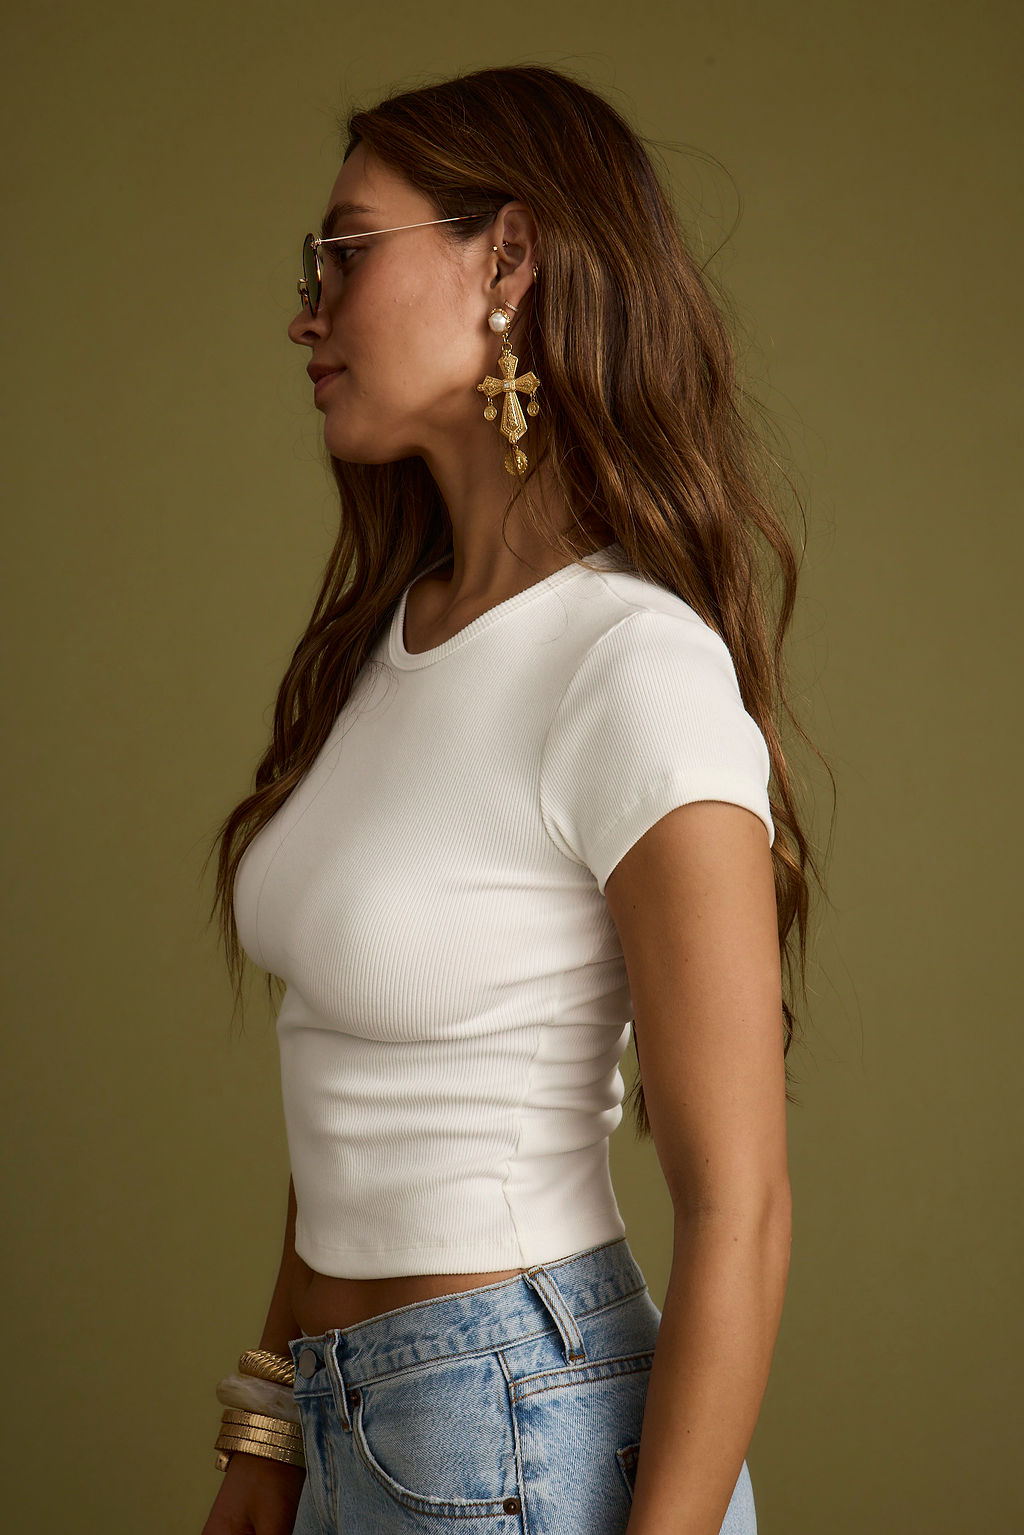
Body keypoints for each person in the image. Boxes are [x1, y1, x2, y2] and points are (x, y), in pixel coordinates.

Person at [200, 62, 821, 1535]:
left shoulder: (630, 666)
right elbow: (346, 1082)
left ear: (510, 260)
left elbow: (741, 1213)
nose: (307, 311)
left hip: (518, 1435)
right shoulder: (395, 642)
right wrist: (267, 1441)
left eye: (346, 253)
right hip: (358, 1426)